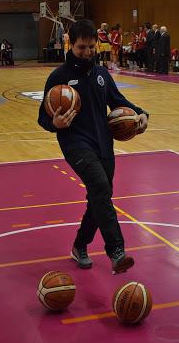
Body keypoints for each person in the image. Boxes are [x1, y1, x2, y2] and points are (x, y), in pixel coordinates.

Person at [38, 19, 149, 274]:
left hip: (103, 144)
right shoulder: (59, 77)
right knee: (100, 187)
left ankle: (80, 245)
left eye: (91, 47)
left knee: (100, 196)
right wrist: (54, 122)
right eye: (81, 48)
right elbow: (43, 118)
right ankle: (117, 251)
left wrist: (141, 114)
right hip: (75, 144)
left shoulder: (101, 74)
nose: (87, 52)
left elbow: (118, 100)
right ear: (71, 45)